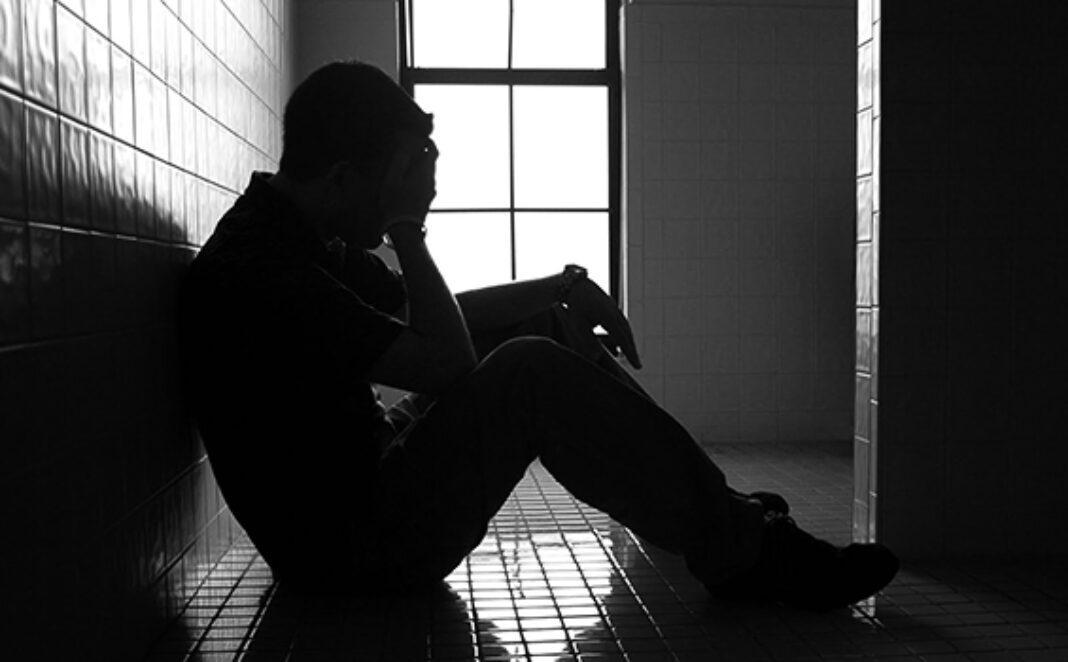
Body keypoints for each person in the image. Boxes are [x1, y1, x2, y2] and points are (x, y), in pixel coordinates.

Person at [178, 60, 897, 609]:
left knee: (538, 327)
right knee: (527, 369)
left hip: (366, 481)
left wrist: (559, 287)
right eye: (391, 184)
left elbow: (439, 316)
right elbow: (441, 359)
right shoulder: (264, 272)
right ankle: (743, 549)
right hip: (352, 551)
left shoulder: (302, 233)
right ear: (340, 177)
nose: (414, 195)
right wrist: (406, 227)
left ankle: (721, 519)